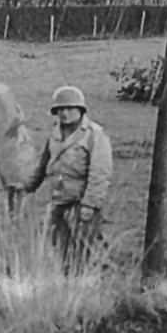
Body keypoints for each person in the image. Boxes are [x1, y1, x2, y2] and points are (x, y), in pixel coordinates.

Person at [21, 85, 113, 269]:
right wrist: (27, 186)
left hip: (81, 201)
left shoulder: (94, 135)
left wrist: (90, 204)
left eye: (70, 108)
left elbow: (100, 173)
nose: (64, 113)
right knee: (57, 244)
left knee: (86, 246)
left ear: (80, 110)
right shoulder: (54, 134)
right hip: (58, 199)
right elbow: (42, 164)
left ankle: (99, 280)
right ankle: (67, 281)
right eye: (60, 109)